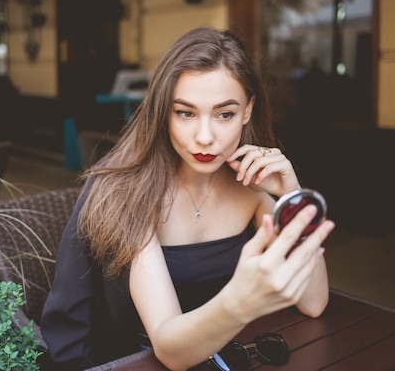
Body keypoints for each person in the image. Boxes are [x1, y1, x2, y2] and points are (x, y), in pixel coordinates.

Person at [40, 27, 334, 370]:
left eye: (224, 114)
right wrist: (241, 301)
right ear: (164, 112)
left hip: (227, 354)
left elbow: (313, 303)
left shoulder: (253, 186)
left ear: (247, 111)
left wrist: (292, 195)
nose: (205, 137)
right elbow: (168, 347)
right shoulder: (132, 191)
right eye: (185, 113)